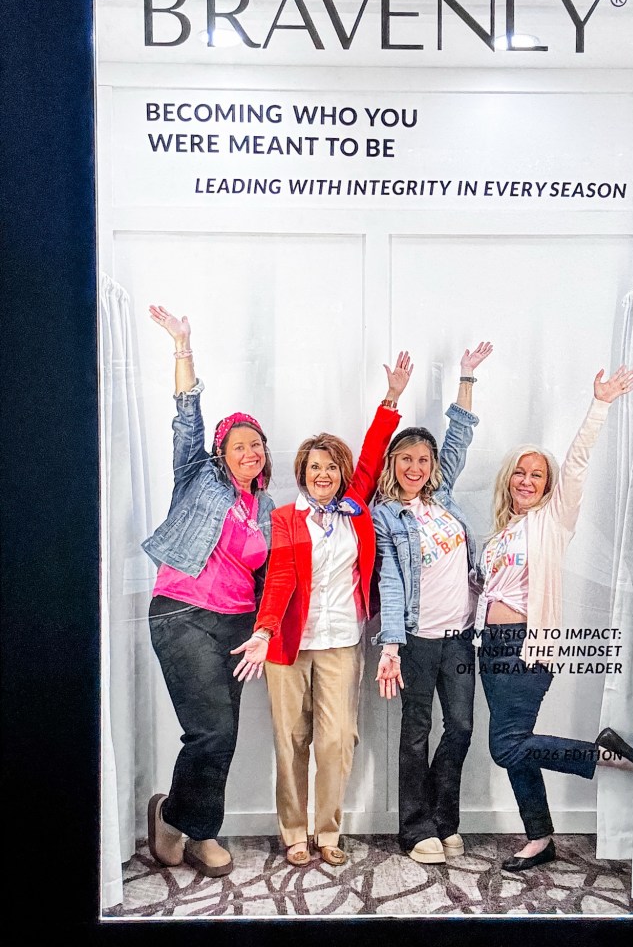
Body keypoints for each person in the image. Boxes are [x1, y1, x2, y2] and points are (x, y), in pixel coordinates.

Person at [231, 352, 413, 867]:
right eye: (315, 467)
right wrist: (265, 631)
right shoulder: (287, 518)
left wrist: (392, 398)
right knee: (291, 741)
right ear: (302, 473)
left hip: (341, 642)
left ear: (341, 473)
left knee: (336, 740)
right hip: (288, 646)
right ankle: (293, 831)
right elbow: (282, 577)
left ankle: (327, 831)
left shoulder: (356, 509)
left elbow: (376, 454)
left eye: (332, 467)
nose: (324, 474)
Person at [476, 365, 633, 873]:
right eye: (521, 473)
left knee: (506, 746)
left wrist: (600, 405)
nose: (528, 481)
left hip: (525, 646)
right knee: (518, 748)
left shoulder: (552, 521)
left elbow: (576, 465)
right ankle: (540, 837)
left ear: (546, 487)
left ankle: (604, 755)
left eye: (536, 475)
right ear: (510, 481)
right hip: (489, 647)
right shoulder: (502, 533)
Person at [142, 305, 276, 879]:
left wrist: (265, 631)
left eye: (258, 445)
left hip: (238, 626)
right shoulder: (196, 477)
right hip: (182, 612)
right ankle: (180, 818)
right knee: (211, 729)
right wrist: (182, 345)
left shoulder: (267, 508)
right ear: (221, 452)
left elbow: (274, 577)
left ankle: (192, 827)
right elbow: (186, 419)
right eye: (240, 444)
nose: (251, 452)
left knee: (224, 734)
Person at [371, 342, 494, 864]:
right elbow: (392, 585)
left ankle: (445, 820)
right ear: (393, 464)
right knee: (417, 734)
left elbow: (460, 437)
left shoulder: (442, 500)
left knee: (462, 728)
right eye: (407, 460)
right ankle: (415, 828)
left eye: (424, 459)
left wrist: (466, 376)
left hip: (461, 637)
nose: (416, 467)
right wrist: (393, 645)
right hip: (419, 641)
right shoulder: (385, 516)